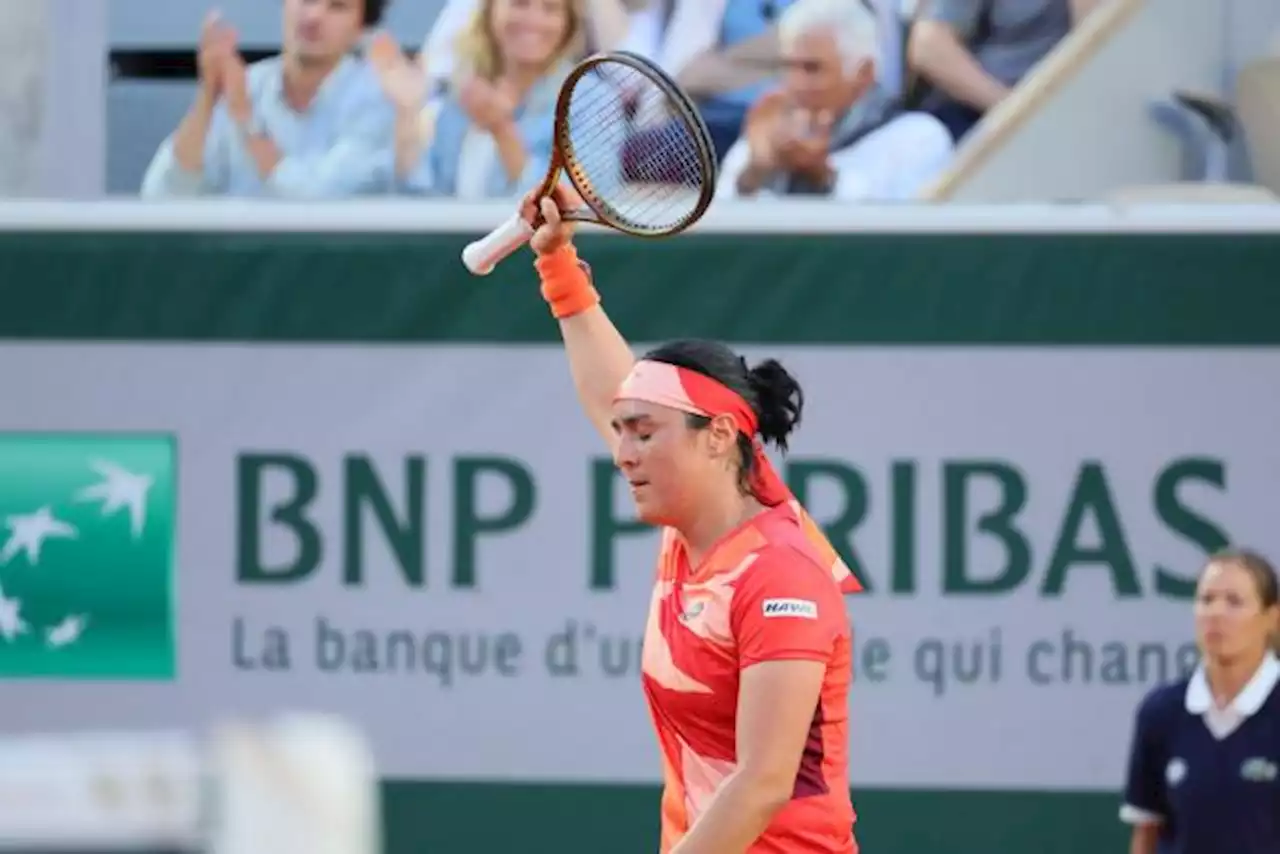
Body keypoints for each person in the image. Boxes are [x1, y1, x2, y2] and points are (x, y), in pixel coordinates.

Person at [521, 182, 864, 854]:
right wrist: (558, 262)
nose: (623, 454)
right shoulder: (690, 540)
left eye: (644, 433)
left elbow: (763, 783)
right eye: (622, 433)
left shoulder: (779, 577)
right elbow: (609, 391)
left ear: (718, 437)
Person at [140, 0, 395, 198]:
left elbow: (321, 204)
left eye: (337, 6)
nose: (314, 15)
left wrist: (248, 123)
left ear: (361, 28)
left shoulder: (378, 100)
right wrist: (208, 95)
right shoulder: (248, 85)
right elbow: (163, 193)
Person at [1120, 549, 1280, 854]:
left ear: (1271, 618)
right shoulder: (1161, 711)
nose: (1216, 613)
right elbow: (1146, 834)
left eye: (1234, 601)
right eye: (1206, 600)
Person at [717, 0, 952, 201]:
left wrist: (822, 177)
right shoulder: (768, 132)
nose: (795, 83)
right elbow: (719, 228)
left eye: (812, 68)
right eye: (788, 67)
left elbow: (900, 237)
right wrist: (755, 172)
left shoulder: (918, 137)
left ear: (863, 74)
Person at [372, 0, 587, 198]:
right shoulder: (463, 93)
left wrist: (502, 131)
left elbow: (570, 205)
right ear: (490, 10)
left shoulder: (585, 97)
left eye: (550, 9)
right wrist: (407, 114)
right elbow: (424, 197)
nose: (533, 20)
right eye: (520, 4)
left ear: (568, 23)